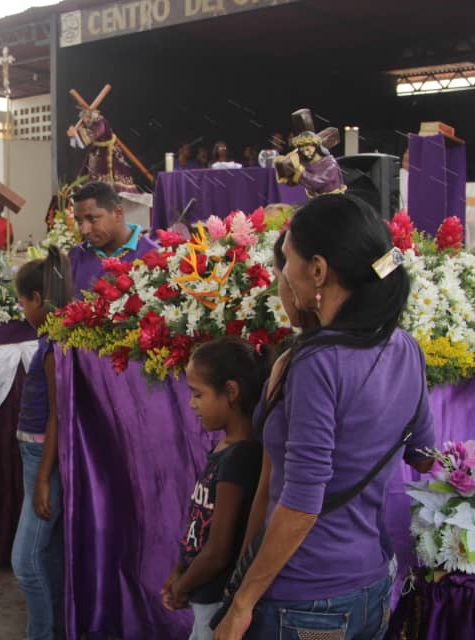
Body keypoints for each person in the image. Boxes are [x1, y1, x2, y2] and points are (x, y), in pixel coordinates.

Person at [213, 194, 436, 640]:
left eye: (288, 260)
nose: (283, 275)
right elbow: (425, 455)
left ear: (317, 270)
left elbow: (300, 503)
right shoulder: (403, 346)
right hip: (371, 583)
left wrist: (241, 603)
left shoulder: (317, 363)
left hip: (305, 598)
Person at [161, 337, 265, 640]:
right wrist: (179, 571)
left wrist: (183, 586)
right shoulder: (226, 448)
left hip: (218, 599)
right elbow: (200, 525)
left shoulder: (241, 457)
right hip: (201, 591)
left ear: (230, 391)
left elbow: (219, 551)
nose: (191, 404)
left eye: (198, 394)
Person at [11, 246, 72, 640]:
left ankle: (41, 634)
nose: (21, 312)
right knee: (46, 553)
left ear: (36, 299)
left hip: (41, 456)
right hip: (34, 452)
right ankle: (55, 628)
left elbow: (58, 416)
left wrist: (45, 478)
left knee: (26, 560)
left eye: (22, 303)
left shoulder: (53, 348)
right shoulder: (51, 338)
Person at [68, 181, 158, 296]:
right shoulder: (75, 257)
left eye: (92, 219)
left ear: (117, 213)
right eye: (79, 222)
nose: (84, 230)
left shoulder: (153, 255)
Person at [67, 107, 140, 193]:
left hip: (107, 153)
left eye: (85, 119)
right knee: (89, 177)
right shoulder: (90, 123)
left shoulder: (100, 122)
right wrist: (73, 136)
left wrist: (75, 133)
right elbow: (78, 143)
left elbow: (88, 137)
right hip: (97, 152)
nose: (84, 122)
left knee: (113, 179)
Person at [274, 131, 346, 198]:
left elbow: (316, 183)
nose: (305, 153)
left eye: (308, 150)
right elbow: (296, 182)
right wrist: (281, 169)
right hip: (317, 200)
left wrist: (298, 167)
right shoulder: (306, 163)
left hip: (334, 200)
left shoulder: (330, 163)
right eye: (302, 150)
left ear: (316, 146)